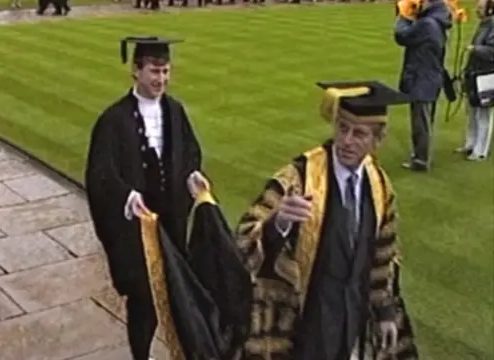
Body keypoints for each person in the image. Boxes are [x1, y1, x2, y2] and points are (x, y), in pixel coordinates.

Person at [234, 81, 419, 360]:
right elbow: (244, 238)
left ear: (377, 139)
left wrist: (384, 312)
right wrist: (279, 222)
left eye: (359, 134)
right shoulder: (299, 177)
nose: (347, 141)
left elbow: (384, 254)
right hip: (305, 321)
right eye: (342, 128)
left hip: (352, 318)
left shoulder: (380, 185)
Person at [85, 36, 209, 360]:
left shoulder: (176, 111)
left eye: (166, 71)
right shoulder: (113, 120)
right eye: (155, 71)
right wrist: (126, 197)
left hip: (171, 222)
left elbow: (190, 153)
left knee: (176, 292)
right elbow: (101, 172)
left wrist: (192, 175)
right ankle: (141, 354)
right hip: (137, 231)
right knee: (143, 298)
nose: (161, 79)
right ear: (136, 70)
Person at [394, 0, 451, 172]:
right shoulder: (436, 21)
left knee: (421, 122)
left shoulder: (427, 24)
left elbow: (402, 36)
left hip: (422, 77)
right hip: (430, 76)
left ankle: (421, 160)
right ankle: (420, 156)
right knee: (424, 120)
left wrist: (403, 16)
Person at [455, 0, 494, 161]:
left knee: (483, 113)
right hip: (474, 73)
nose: (476, 10)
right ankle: (470, 143)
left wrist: (475, 49)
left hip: (486, 75)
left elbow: (492, 51)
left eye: (479, 8)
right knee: (471, 111)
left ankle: (480, 150)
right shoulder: (483, 24)